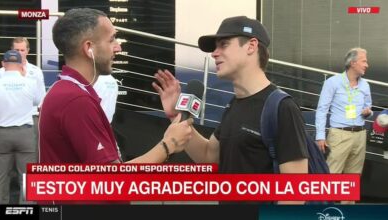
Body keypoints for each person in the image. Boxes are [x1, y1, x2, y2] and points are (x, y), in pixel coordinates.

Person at [152, 16, 308, 204]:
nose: (214, 54)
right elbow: (209, 157)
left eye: (224, 45)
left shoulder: (282, 108)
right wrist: (177, 117)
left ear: (251, 46)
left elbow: (294, 196)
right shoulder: (234, 104)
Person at [39, 8, 192, 167]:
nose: (118, 47)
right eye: (111, 39)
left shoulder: (67, 92)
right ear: (89, 48)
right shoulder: (76, 100)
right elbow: (111, 179)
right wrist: (168, 145)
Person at [315, 47, 372, 204]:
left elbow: (369, 106)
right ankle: (322, 211)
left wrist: (368, 112)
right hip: (339, 135)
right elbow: (322, 109)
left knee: (352, 180)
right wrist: (320, 135)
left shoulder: (365, 85)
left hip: (360, 134)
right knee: (330, 177)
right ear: (353, 63)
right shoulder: (332, 82)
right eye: (364, 61)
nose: (367, 64)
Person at [0, 50, 42, 204]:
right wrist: (24, 77)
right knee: (27, 179)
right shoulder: (30, 83)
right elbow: (38, 102)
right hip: (25, 135)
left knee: (0, 180)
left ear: (3, 64)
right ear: (21, 65)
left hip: (1, 134)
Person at [0, 37, 47, 145]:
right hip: (5, 120)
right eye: (16, 50)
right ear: (11, 51)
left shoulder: (36, 71)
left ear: (28, 51)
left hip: (31, 118)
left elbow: (42, 98)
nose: (19, 53)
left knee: (31, 153)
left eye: (22, 50)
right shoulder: (0, 73)